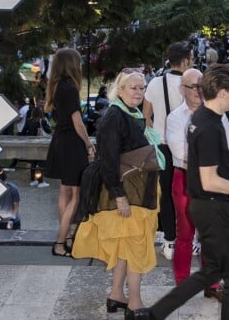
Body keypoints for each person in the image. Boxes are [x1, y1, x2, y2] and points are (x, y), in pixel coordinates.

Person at [147, 64, 229, 320]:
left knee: (210, 271)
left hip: (206, 206)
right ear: (222, 92)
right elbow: (209, 180)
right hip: (212, 209)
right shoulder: (209, 126)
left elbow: (209, 167)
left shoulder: (203, 119)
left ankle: (153, 314)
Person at [72, 69, 160, 317]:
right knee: (135, 247)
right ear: (119, 90)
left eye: (142, 88)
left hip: (136, 191)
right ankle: (134, 303)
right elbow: (108, 161)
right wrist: (120, 196)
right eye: (133, 87)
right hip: (127, 194)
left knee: (125, 245)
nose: (139, 92)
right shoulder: (114, 116)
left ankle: (116, 296)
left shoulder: (130, 112)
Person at [166, 68, 227, 301]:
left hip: (212, 180)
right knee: (185, 234)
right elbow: (180, 152)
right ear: (183, 89)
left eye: (201, 85)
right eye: (193, 86)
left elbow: (228, 141)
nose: (198, 90)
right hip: (185, 178)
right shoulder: (175, 118)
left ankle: (211, 284)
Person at [144, 42, 194, 260]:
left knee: (165, 194)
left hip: (163, 146)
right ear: (184, 62)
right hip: (187, 148)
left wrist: (156, 139)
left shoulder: (155, 82)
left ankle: (169, 241)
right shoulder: (193, 82)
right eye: (191, 59)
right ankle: (191, 240)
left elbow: (146, 117)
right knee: (189, 194)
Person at [44, 48, 95, 257]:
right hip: (72, 143)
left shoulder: (55, 86)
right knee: (76, 194)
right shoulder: (70, 88)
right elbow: (77, 122)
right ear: (72, 64)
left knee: (64, 192)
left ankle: (64, 237)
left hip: (59, 141)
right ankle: (61, 241)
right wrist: (89, 144)